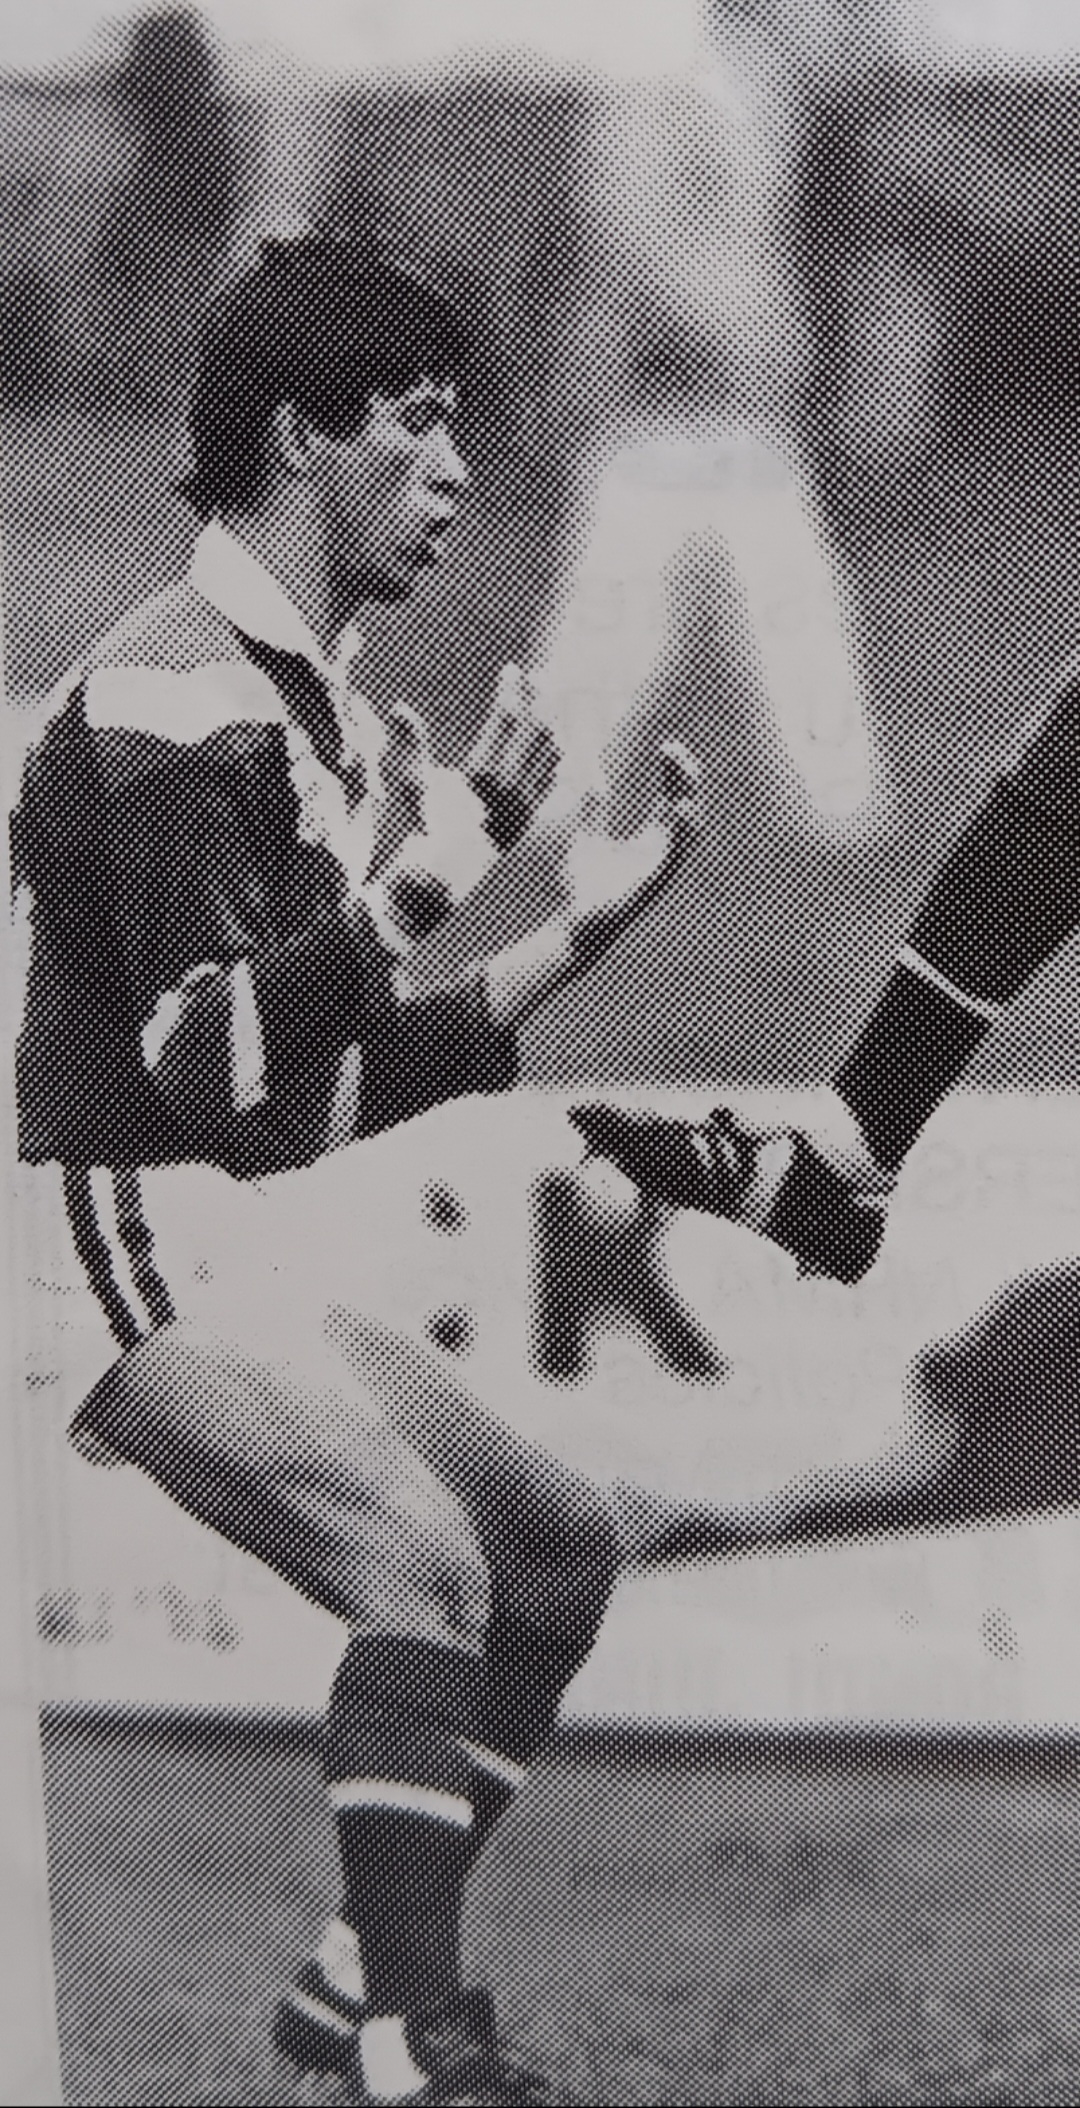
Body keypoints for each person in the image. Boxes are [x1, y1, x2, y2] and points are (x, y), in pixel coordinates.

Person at [12, 230, 704, 2108]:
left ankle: (353, 1980)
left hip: (191, 1211)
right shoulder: (173, 691)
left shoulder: (299, 698)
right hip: (78, 1229)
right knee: (418, 1564)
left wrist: (561, 945)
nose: (459, 470)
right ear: (300, 438)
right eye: (418, 422)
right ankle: (411, 2040)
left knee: (550, 1543)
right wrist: (421, 880)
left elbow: (291, 1109)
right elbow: (206, 1061)